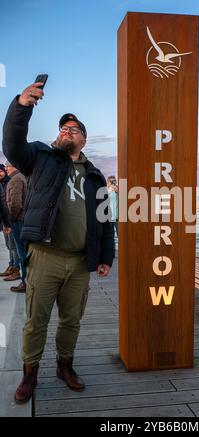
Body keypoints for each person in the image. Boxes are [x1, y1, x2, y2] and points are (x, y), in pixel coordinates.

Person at [2, 80, 115, 404]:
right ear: (57, 135)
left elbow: (106, 222)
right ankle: (29, 374)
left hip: (80, 262)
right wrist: (21, 106)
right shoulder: (41, 157)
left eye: (74, 129)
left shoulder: (95, 176)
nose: (68, 131)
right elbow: (12, 144)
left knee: (71, 320)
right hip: (46, 256)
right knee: (36, 321)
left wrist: (106, 256)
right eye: (63, 128)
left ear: (84, 138)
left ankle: (65, 366)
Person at [4, 161, 27, 292]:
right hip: (24, 220)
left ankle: (25, 282)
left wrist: (9, 221)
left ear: (15, 166)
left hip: (17, 221)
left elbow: (15, 204)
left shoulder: (15, 180)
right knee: (24, 251)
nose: (6, 169)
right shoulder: (23, 177)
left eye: (8, 166)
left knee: (21, 252)